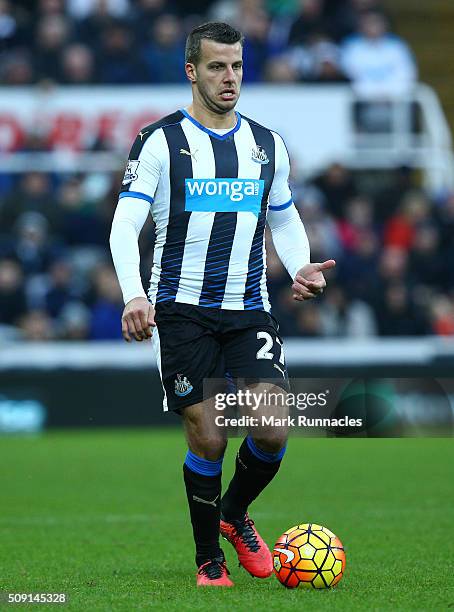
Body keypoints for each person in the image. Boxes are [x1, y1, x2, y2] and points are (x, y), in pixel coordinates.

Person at [110, 21, 335, 587]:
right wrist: (134, 293)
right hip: (180, 309)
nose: (229, 77)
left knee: (273, 427)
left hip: (248, 307)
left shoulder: (266, 143)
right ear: (191, 71)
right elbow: (126, 221)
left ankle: (234, 514)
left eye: (236, 65)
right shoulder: (159, 141)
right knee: (210, 434)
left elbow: (281, 215)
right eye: (216, 66)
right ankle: (208, 558)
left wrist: (300, 263)